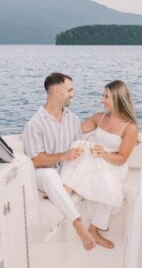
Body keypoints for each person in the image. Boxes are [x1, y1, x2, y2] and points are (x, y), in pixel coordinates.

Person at [23, 72, 105, 251]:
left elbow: (79, 152)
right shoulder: (34, 125)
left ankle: (63, 190)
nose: (73, 94)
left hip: (67, 173)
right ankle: (79, 226)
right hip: (42, 174)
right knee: (51, 174)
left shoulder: (73, 120)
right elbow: (36, 160)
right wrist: (63, 156)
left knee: (98, 171)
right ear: (56, 91)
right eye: (70, 90)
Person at [60, 80, 138, 249]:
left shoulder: (130, 128)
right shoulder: (99, 117)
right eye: (102, 96)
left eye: (106, 97)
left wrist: (103, 153)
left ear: (118, 99)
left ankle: (93, 229)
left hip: (113, 165)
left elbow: (122, 158)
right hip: (95, 159)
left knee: (107, 185)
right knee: (80, 146)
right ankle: (68, 188)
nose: (102, 100)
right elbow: (75, 131)